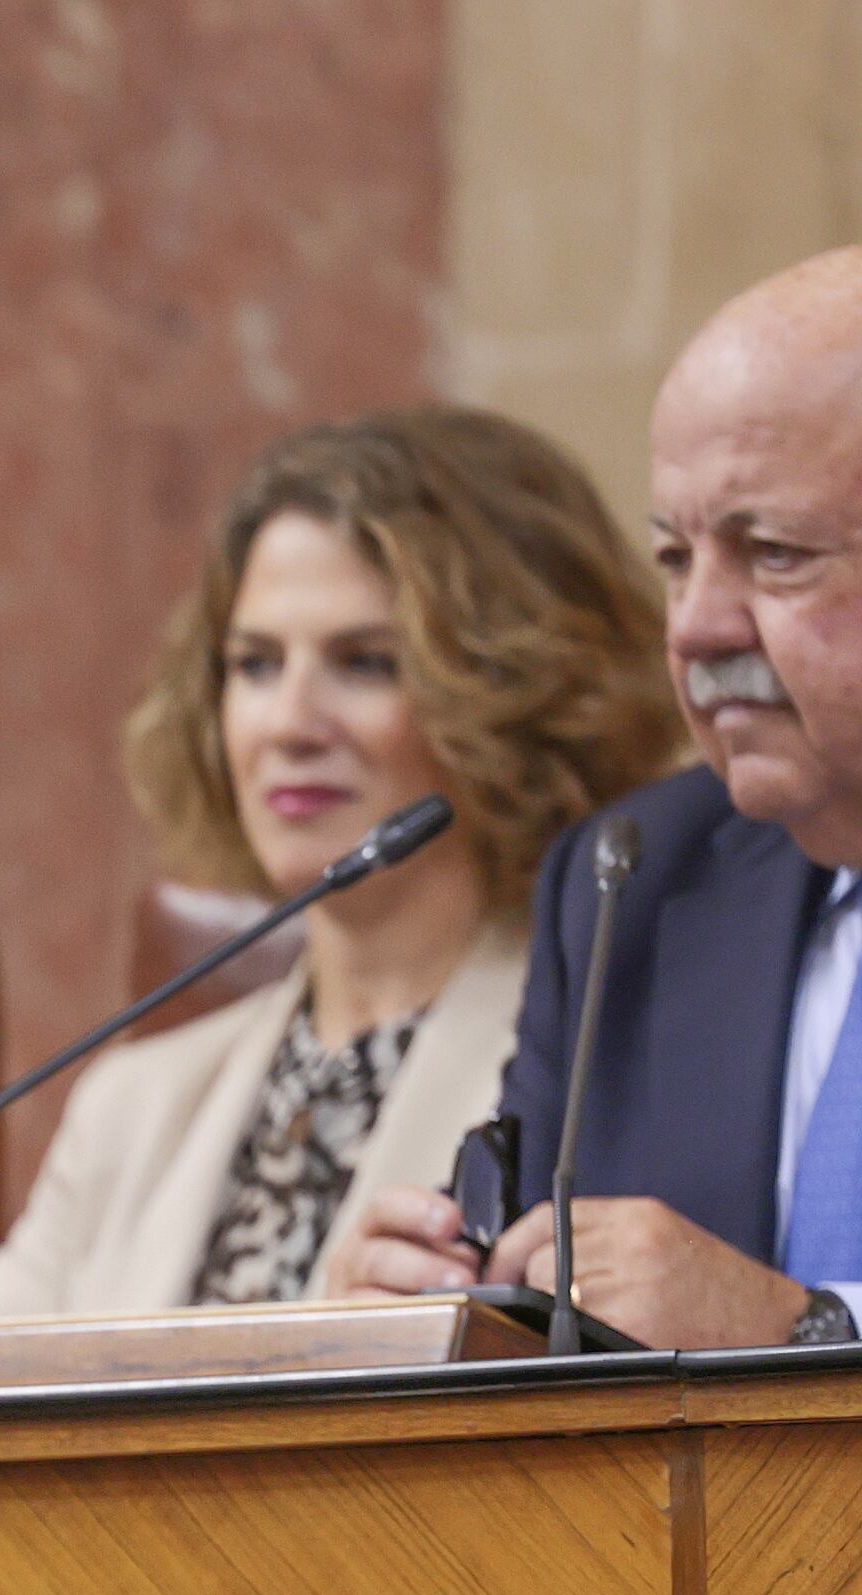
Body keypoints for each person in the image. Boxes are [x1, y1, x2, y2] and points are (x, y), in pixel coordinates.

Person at [0, 409, 677, 1323]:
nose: (288, 723)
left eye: (364, 663)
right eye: (254, 665)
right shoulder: (133, 1104)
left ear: (515, 692)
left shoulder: (608, 1072)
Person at [344, 251, 862, 1348]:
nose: (695, 628)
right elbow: (539, 1318)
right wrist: (429, 1325)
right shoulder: (633, 881)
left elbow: (757, 1324)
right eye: (674, 558)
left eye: (770, 556)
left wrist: (811, 1327)